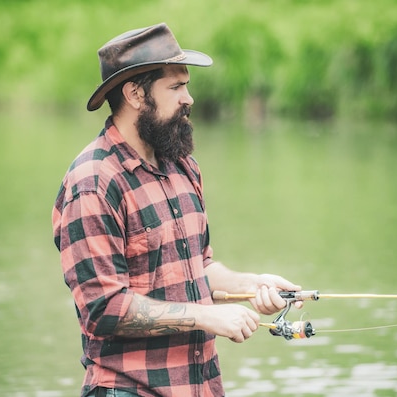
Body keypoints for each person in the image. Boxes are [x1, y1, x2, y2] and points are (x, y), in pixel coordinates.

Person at [52, 23, 302, 397]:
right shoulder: (93, 182)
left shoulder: (183, 167)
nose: (189, 99)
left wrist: (251, 286)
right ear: (135, 94)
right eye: (175, 87)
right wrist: (206, 316)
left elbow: (197, 268)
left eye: (186, 85)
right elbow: (104, 308)